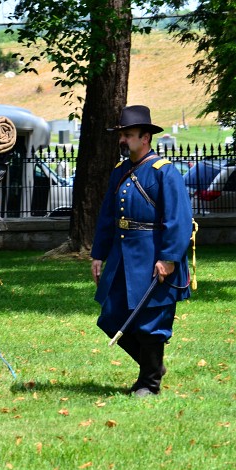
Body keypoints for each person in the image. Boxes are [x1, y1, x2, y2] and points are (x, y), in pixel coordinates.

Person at [91, 105, 192, 397]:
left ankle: (149, 382)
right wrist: (98, 254)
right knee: (111, 317)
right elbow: (108, 217)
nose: (123, 140)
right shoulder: (120, 172)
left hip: (154, 256)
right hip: (123, 259)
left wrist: (169, 258)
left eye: (129, 135)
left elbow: (179, 220)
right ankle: (153, 366)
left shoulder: (165, 172)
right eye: (121, 135)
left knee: (151, 322)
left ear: (146, 137)